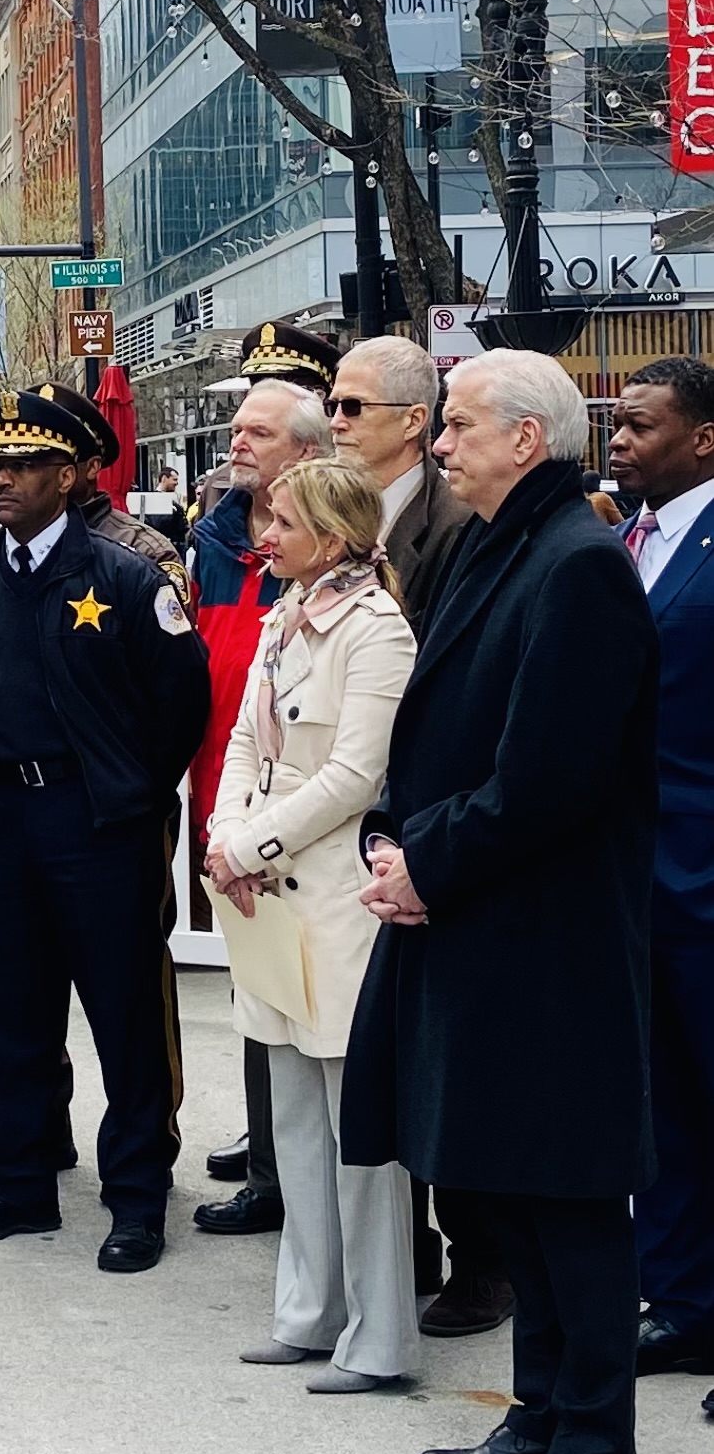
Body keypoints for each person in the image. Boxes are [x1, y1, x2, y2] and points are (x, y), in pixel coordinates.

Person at [348, 350, 655, 1454]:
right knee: (502, 1183)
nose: (440, 442)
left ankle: (594, 1446)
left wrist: (427, 858)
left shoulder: (577, 566)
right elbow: (443, 721)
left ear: (527, 438)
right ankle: (535, 1411)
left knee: (566, 1197)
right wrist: (396, 835)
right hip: (478, 913)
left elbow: (551, 775)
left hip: (547, 935)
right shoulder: (499, 538)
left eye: (461, 423)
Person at [0, 389, 209, 1273]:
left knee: (123, 1020)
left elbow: (179, 706)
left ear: (69, 473)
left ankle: (136, 1198)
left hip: (99, 824)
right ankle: (20, 1187)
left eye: (19, 466)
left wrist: (125, 793)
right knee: (16, 1015)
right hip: (10, 823)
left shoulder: (126, 578)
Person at [203, 460, 418, 1392]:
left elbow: (356, 776)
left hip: (335, 906)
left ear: (333, 536)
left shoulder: (376, 630)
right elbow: (246, 743)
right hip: (268, 896)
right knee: (293, 1116)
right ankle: (308, 1310)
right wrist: (223, 837)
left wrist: (249, 846)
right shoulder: (282, 614)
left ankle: (380, 1340)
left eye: (283, 523)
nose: (265, 535)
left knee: (361, 1134)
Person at [324, 331, 498, 1336]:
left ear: (409, 420)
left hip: (438, 809)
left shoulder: (450, 521)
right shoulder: (340, 517)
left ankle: (483, 1257)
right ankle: (413, 1242)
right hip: (370, 816)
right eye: (334, 406)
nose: (335, 422)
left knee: (453, 1050)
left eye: (351, 407)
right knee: (393, 1046)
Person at [189, 328, 339, 1243]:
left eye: (259, 424)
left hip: (310, 809)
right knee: (257, 981)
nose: (236, 441)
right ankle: (271, 1155)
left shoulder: (338, 546)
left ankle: (304, 1172)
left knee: (318, 988)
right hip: (225, 793)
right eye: (236, 422)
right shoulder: (210, 538)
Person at [605, 359, 714, 1386]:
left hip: (706, 873)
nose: (621, 439)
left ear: (703, 439)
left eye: (642, 425)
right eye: (618, 423)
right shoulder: (628, 541)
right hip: (640, 878)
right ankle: (682, 1302)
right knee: (667, 1104)